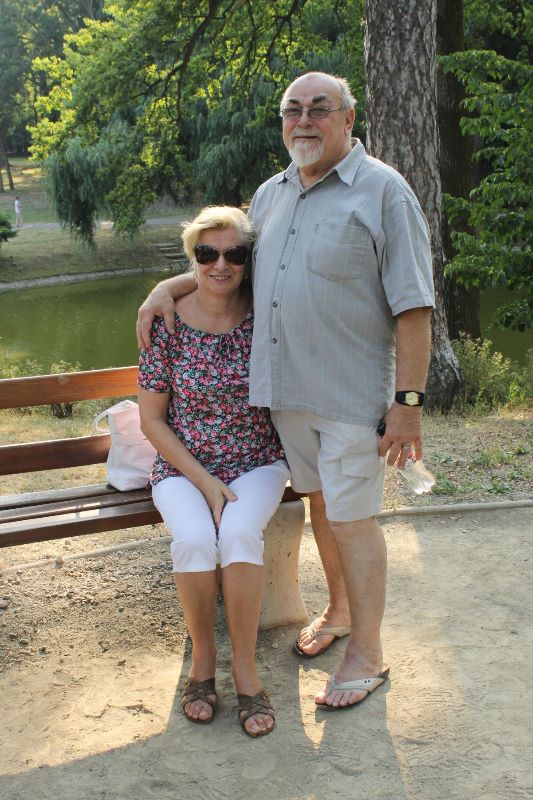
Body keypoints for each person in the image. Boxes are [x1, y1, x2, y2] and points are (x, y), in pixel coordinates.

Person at [137, 72, 435, 711]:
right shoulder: (270, 195)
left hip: (352, 398)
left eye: (319, 108)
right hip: (287, 399)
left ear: (348, 118)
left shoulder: (384, 191)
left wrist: (407, 404)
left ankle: (368, 654)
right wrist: (169, 287)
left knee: (353, 520)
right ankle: (340, 612)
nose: (304, 120)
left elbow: (414, 306)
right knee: (324, 506)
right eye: (292, 109)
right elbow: (229, 270)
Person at [137, 205, 290, 737]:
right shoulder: (166, 323)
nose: (220, 265)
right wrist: (204, 482)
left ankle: (245, 670)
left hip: (255, 460)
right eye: (206, 253)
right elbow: (152, 420)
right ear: (193, 258)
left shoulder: (266, 315)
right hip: (183, 467)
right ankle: (203, 662)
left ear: (249, 260)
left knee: (241, 532)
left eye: (234, 254)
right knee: (196, 538)